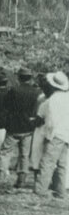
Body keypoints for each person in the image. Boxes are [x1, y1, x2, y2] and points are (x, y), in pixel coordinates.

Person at [35, 70, 68, 201]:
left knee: (47, 163)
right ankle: (60, 191)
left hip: (54, 134)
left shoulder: (51, 100)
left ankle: (41, 190)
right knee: (62, 164)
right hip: (66, 133)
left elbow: (42, 118)